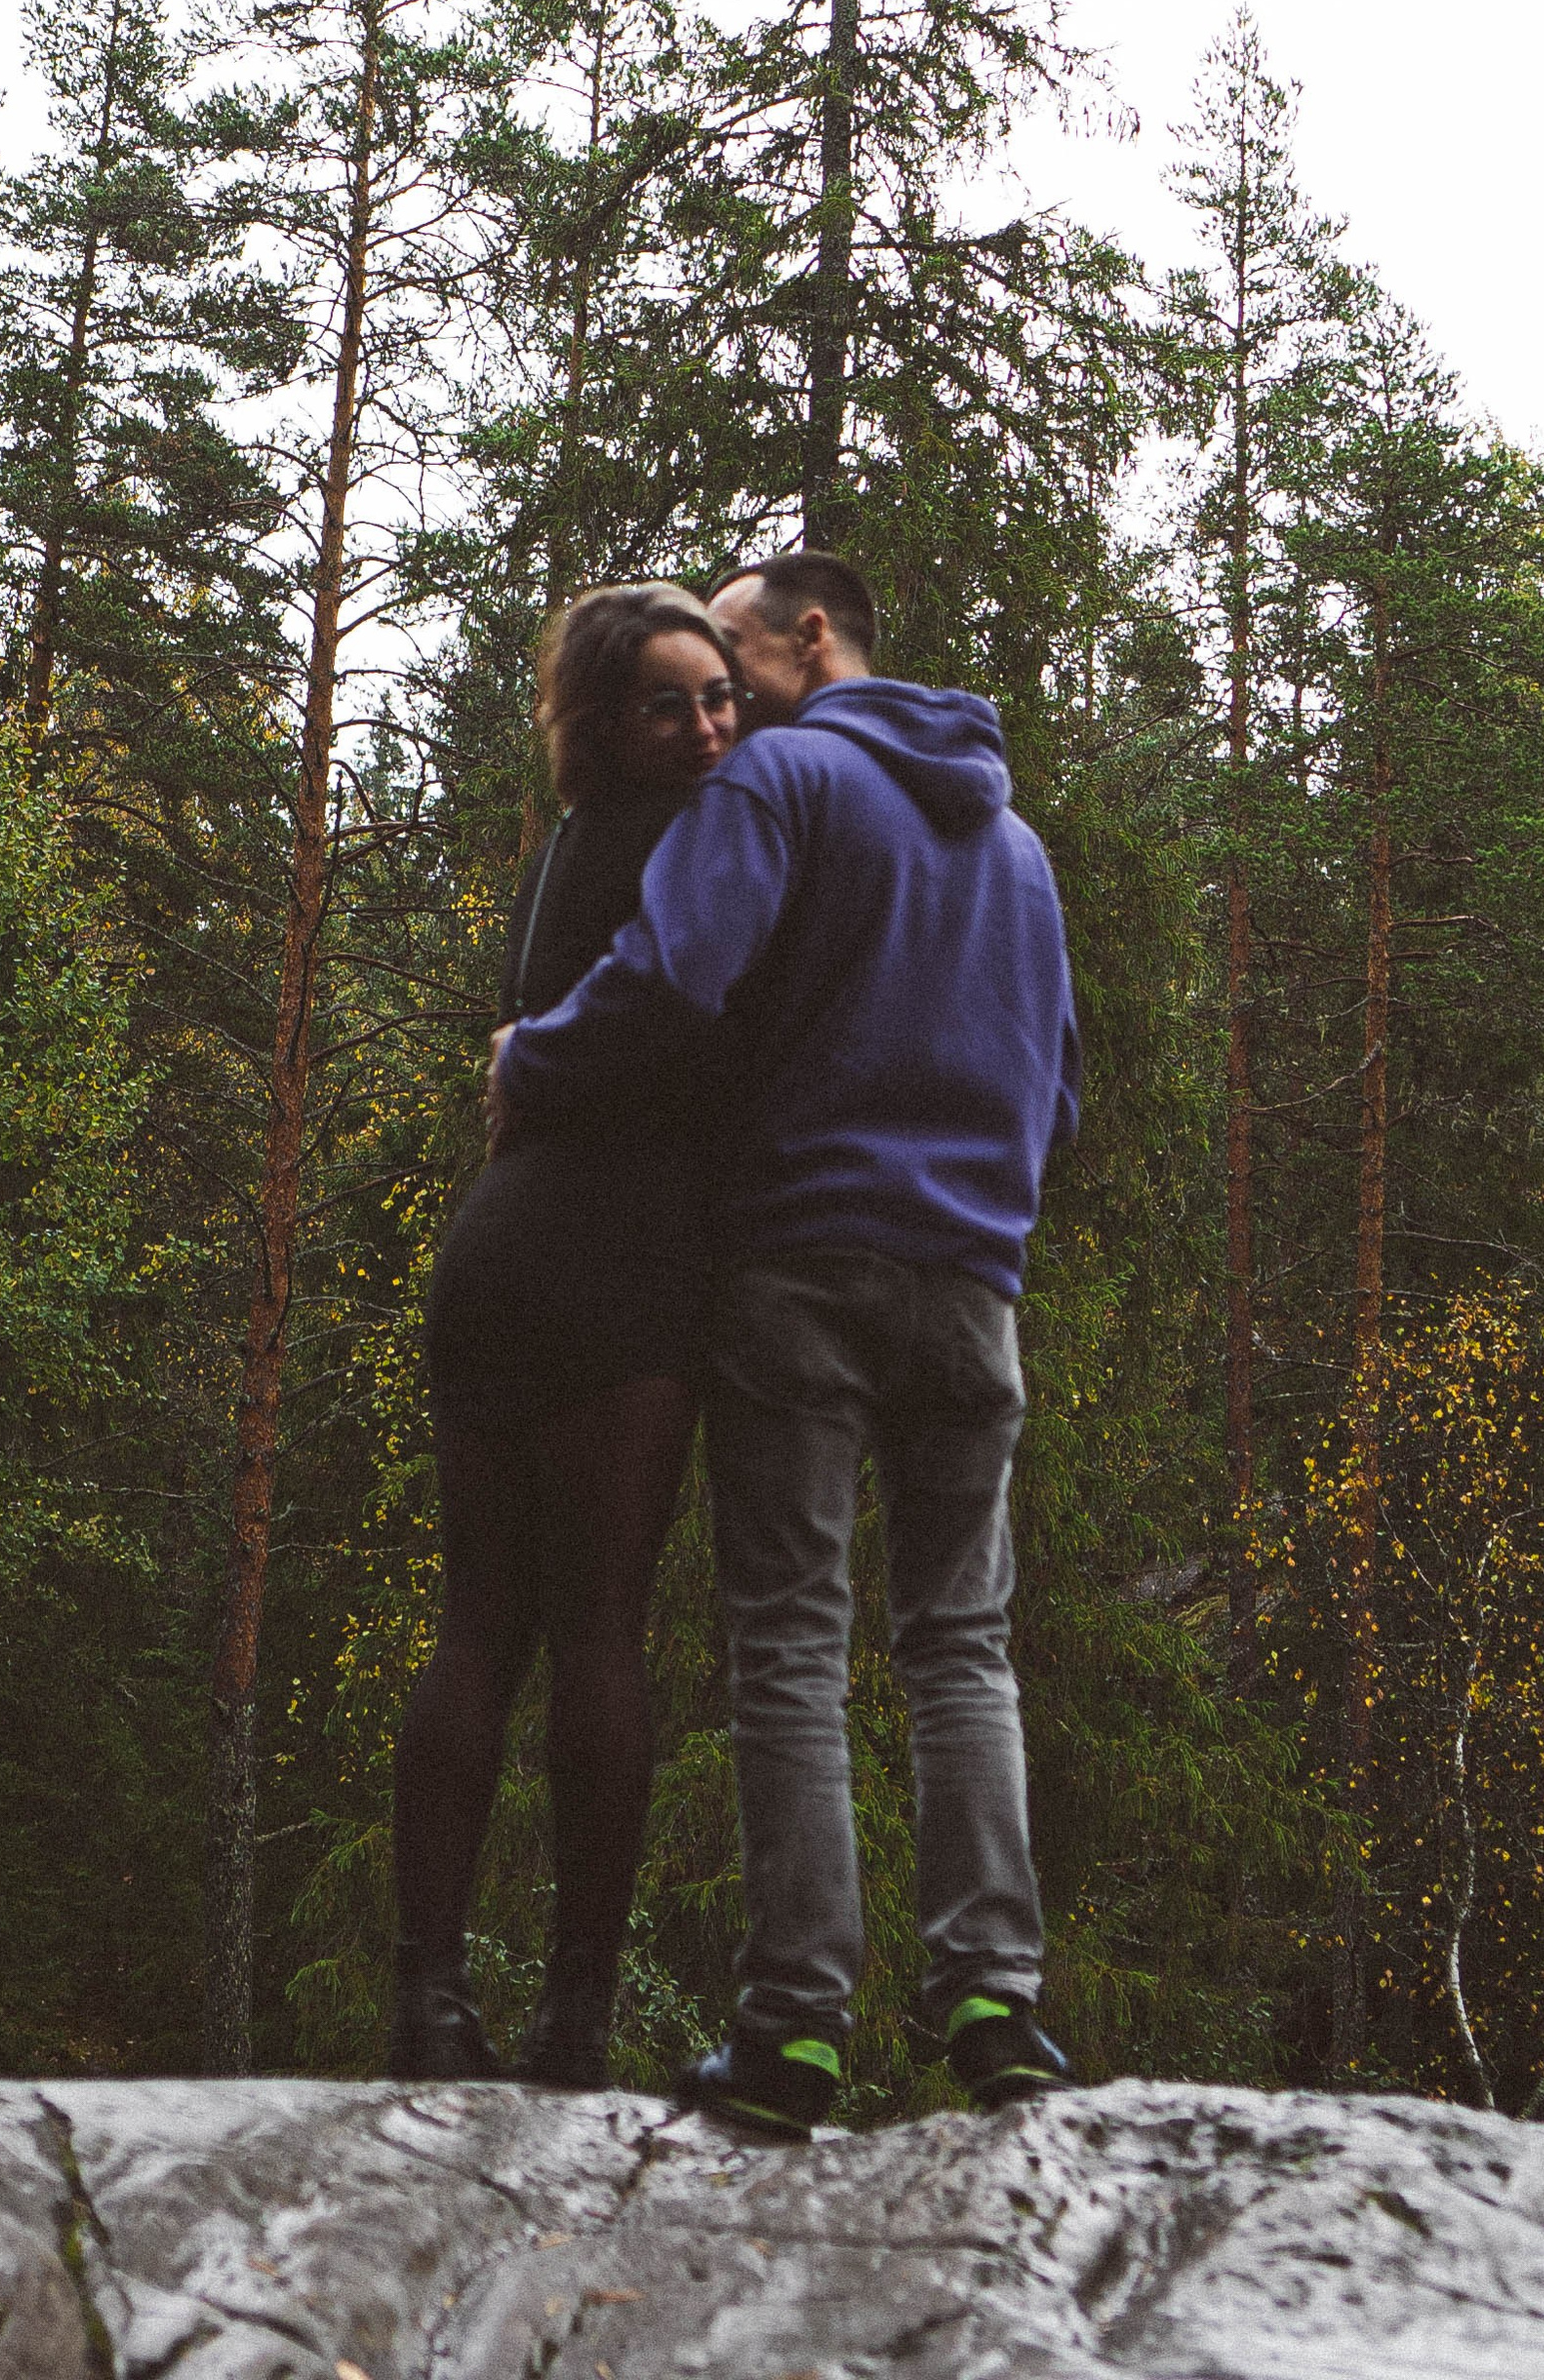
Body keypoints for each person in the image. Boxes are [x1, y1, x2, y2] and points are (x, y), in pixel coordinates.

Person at [490, 549, 1080, 2137]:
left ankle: (793, 2033)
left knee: (794, 1647)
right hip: (974, 1283)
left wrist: (526, 1060)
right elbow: (1057, 1085)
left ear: (808, 637)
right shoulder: (1015, 841)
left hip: (804, 1268)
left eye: (733, 654)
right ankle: (994, 2008)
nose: (718, 699)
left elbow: (671, 976)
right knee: (961, 1642)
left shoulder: (784, 784)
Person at [390, 582, 742, 2088]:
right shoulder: (696, 846)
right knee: (596, 1622)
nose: (713, 725)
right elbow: (697, 1016)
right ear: (611, 724)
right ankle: (572, 2024)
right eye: (674, 703)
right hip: (614, 1258)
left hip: (498, 1243)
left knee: (481, 1622)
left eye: (723, 694)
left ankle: (425, 2002)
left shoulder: (566, 853)